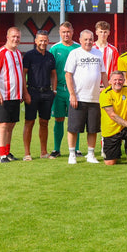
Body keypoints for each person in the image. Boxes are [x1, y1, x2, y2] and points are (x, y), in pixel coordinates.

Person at [65, 29, 108, 165]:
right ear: (80, 40)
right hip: (78, 97)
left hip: (95, 98)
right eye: (86, 39)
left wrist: (108, 91)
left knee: (93, 128)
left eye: (90, 39)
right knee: (73, 128)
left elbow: (103, 74)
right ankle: (72, 154)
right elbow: (68, 75)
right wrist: (72, 94)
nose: (88, 42)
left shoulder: (98, 53)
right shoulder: (74, 53)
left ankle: (90, 154)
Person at [22, 30, 57, 160]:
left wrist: (54, 91)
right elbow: (23, 74)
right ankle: (27, 154)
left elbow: (54, 74)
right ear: (35, 41)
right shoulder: (29, 56)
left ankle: (44, 152)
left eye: (45, 40)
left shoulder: (50, 56)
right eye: (40, 40)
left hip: (47, 93)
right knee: (29, 122)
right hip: (32, 92)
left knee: (44, 122)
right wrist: (25, 92)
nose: (43, 42)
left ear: (48, 41)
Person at [0, 27, 23, 163]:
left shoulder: (18, 54)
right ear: (7, 37)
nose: (16, 39)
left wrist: (21, 93)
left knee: (11, 125)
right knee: (3, 125)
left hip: (15, 96)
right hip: (3, 95)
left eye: (18, 37)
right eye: (13, 36)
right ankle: (2, 155)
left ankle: (8, 152)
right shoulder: (0, 53)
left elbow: (20, 75)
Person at [100, 71, 127, 166]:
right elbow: (112, 115)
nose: (118, 82)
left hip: (124, 127)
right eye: (115, 80)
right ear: (110, 82)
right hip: (111, 130)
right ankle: (112, 147)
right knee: (110, 163)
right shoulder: (105, 94)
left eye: (120, 79)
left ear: (124, 81)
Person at [50, 22, 81, 158]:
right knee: (59, 119)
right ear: (59, 32)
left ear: (73, 31)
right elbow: (51, 71)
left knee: (75, 120)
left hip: (74, 90)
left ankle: (76, 149)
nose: (66, 34)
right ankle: (57, 149)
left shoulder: (78, 48)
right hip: (59, 90)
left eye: (68, 31)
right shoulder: (54, 48)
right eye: (63, 32)